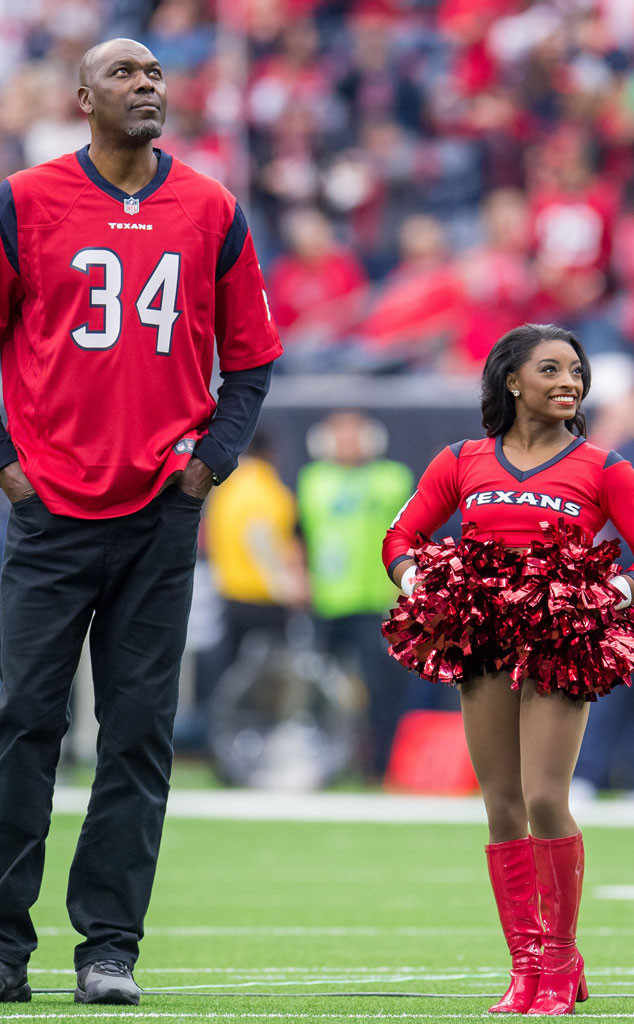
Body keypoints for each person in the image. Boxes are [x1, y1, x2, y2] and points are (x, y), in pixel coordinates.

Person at [0, 37, 282, 1006]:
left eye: (156, 74)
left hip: (161, 510)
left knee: (137, 735)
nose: (146, 85)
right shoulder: (25, 200)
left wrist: (207, 467)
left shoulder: (212, 207)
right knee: (21, 723)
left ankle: (108, 949)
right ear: (83, 97)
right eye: (124, 73)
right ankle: (2, 948)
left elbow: (251, 358)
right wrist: (9, 469)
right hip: (48, 511)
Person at [382, 324, 634, 1016]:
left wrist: (610, 594)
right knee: (501, 803)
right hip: (484, 638)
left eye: (576, 371)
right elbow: (401, 536)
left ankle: (560, 958)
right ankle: (524, 967)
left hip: (559, 640)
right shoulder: (462, 459)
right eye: (550, 369)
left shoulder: (603, 466)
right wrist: (421, 586)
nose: (569, 382)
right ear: (512, 380)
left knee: (545, 796)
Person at [298, 410, 413, 778]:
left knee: (381, 689)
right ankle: (320, 765)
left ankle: (378, 767)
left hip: (374, 603)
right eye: (339, 434)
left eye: (354, 434)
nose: (346, 442)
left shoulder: (392, 479)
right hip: (326, 603)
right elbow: (298, 534)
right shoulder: (312, 480)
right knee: (317, 693)